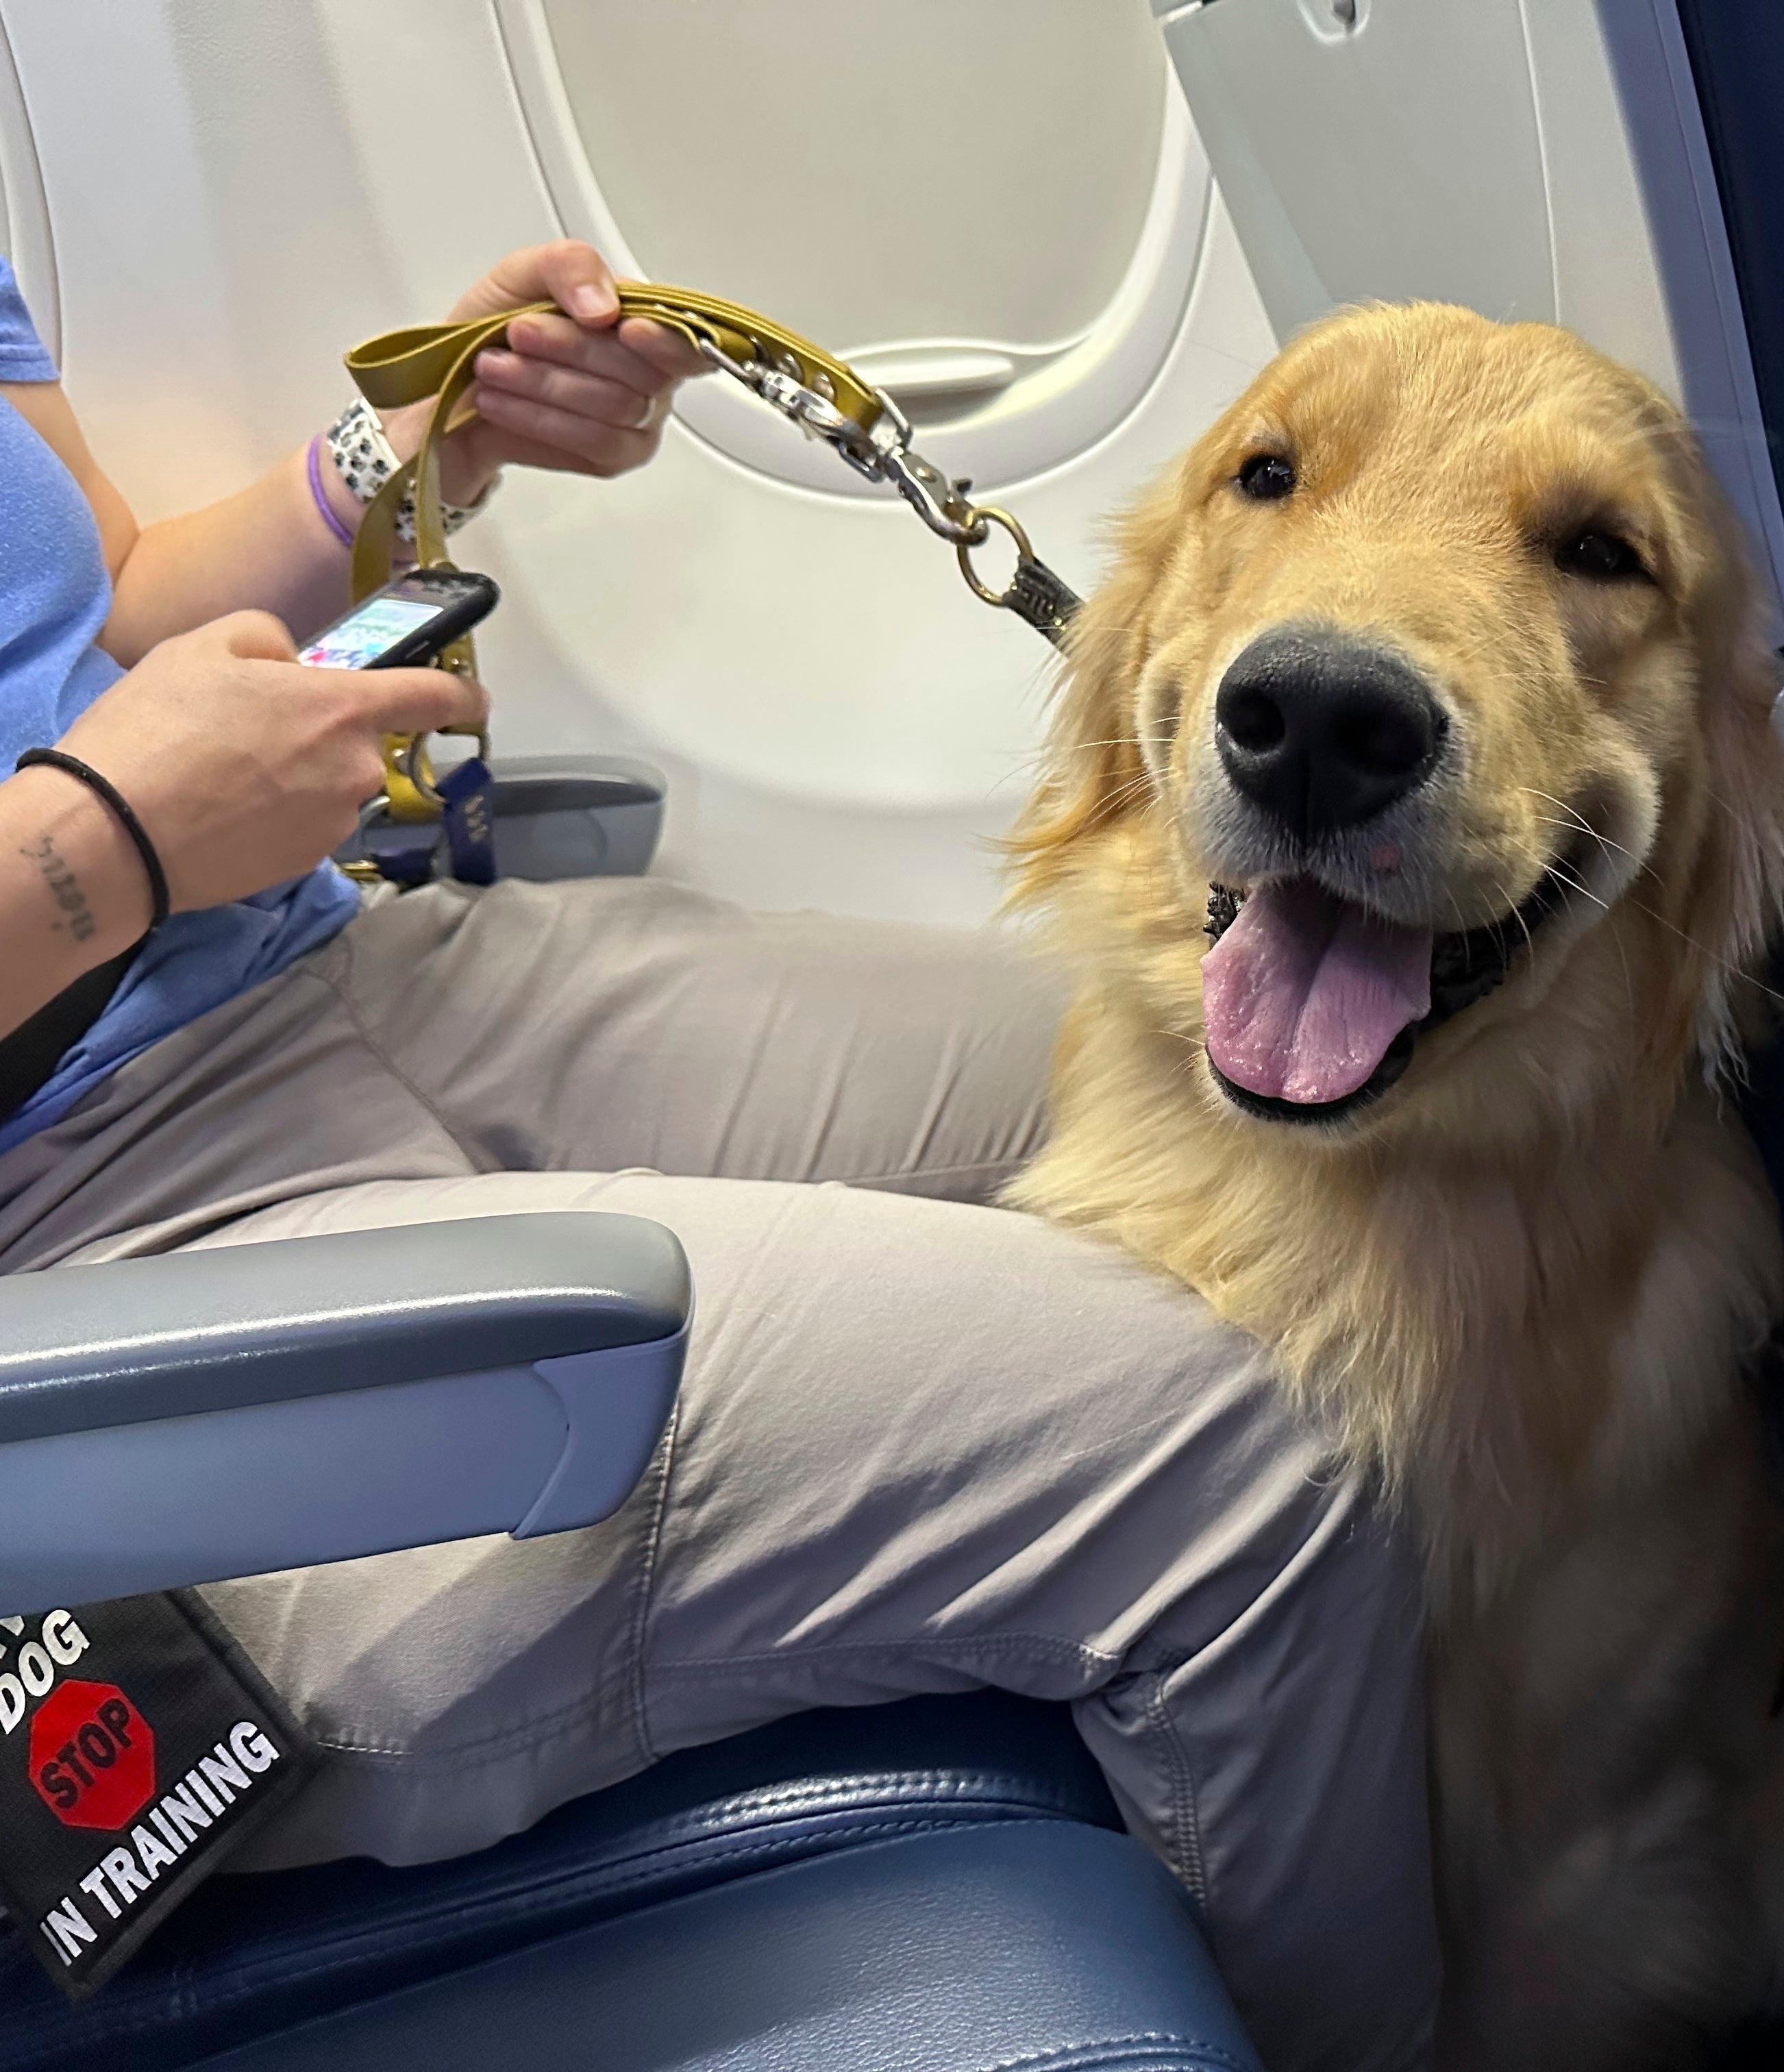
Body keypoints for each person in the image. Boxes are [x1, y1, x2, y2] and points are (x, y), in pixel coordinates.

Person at [0, 239, 1433, 2072]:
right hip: (85, 1253)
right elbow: (90, 789)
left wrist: (406, 444)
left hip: (314, 971)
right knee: (1249, 1468)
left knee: (1256, 1102)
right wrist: (96, 843)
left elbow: (96, 608)